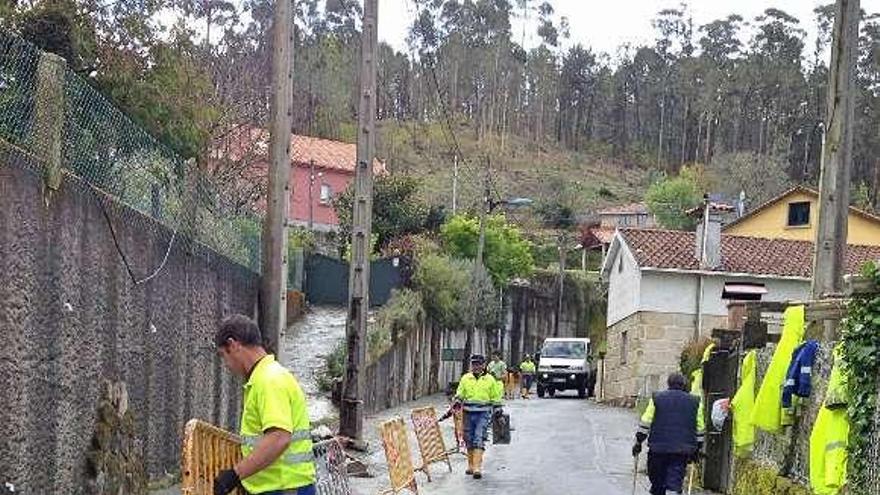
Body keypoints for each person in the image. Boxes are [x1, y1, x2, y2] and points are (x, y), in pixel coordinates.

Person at [213, 314, 317, 495]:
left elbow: (278, 437)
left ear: (233, 345)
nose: (227, 366)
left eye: (223, 356)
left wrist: (235, 475)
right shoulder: (266, 377)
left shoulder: (268, 380)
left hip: (282, 489)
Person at [632, 373, 705, 495]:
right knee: (674, 481)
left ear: (668, 384)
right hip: (682, 450)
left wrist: (639, 442)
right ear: (684, 385)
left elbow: (646, 422)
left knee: (657, 481)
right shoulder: (695, 402)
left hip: (658, 449)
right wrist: (697, 449)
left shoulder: (657, 398)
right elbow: (700, 429)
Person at [455, 354, 504, 479]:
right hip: (467, 412)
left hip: (483, 413)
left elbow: (495, 397)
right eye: (474, 364)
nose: (476, 366)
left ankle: (477, 467)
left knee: (479, 437)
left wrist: (498, 411)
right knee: (468, 438)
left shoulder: (490, 380)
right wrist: (457, 401)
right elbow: (460, 393)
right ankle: (470, 465)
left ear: (483, 365)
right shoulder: (466, 378)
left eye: (479, 364)